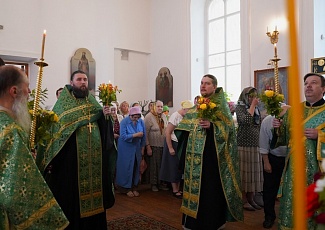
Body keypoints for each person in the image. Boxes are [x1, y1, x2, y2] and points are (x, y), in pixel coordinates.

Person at [36, 70, 116, 230]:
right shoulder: (63, 106)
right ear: (71, 83)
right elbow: (55, 134)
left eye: (85, 79)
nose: (83, 82)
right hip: (71, 165)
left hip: (94, 164)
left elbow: (104, 132)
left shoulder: (93, 103)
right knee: (72, 201)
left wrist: (106, 118)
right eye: (79, 79)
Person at [0, 65, 69, 229]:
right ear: (14, 91)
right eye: (27, 88)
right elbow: (16, 189)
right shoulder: (10, 131)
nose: (30, 93)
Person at [175, 74, 243, 229]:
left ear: (214, 86)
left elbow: (229, 131)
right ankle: (191, 222)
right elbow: (184, 127)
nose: (203, 86)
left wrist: (212, 127)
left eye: (207, 83)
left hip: (212, 161)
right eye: (201, 83)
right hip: (194, 161)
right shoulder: (197, 105)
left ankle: (211, 223)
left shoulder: (221, 106)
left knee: (209, 193)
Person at [274, 73, 325, 229]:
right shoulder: (294, 111)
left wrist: (320, 135)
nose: (308, 86)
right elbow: (283, 139)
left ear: (323, 89)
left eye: (314, 83)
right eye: (306, 83)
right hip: (294, 170)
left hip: (318, 172)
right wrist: (278, 127)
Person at [259, 104, 290, 229]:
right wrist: (266, 162)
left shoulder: (292, 121)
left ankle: (288, 216)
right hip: (272, 158)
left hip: (289, 158)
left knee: (288, 189)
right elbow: (263, 143)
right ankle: (269, 216)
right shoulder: (267, 121)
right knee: (269, 189)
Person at [235, 87, 263, 211]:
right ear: (246, 96)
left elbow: (258, 123)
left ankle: (251, 199)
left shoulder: (256, 108)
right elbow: (246, 120)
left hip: (255, 144)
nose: (253, 98)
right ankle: (244, 200)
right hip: (243, 144)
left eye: (254, 96)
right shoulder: (240, 107)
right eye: (251, 96)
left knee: (253, 174)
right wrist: (252, 105)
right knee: (245, 174)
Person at [159, 100, 193, 199]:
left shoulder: (184, 117)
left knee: (178, 166)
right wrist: (170, 147)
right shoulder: (175, 116)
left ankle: (178, 188)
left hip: (180, 144)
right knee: (173, 167)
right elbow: (168, 132)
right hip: (173, 143)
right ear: (184, 109)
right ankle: (175, 190)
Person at [115, 106, 146, 197]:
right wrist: (136, 135)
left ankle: (134, 186)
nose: (136, 119)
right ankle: (125, 188)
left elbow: (144, 136)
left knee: (136, 166)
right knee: (126, 167)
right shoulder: (124, 122)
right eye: (134, 117)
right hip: (125, 147)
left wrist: (142, 148)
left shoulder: (141, 121)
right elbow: (123, 136)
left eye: (137, 117)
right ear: (130, 115)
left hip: (137, 147)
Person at [144, 100, 168, 192]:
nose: (160, 108)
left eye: (161, 107)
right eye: (158, 106)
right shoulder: (149, 117)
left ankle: (161, 183)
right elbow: (145, 133)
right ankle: (154, 184)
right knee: (154, 166)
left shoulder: (163, 116)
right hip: (153, 145)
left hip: (163, 145)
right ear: (154, 106)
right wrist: (148, 146)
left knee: (161, 165)